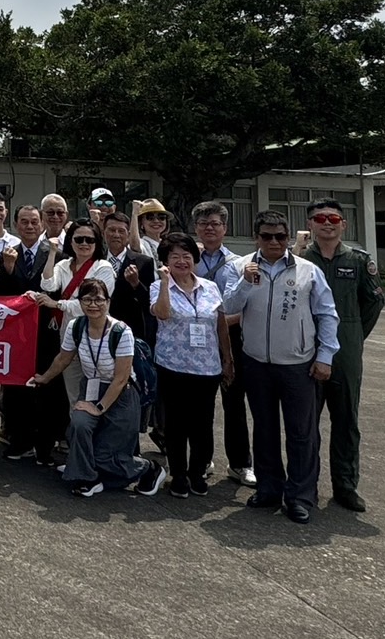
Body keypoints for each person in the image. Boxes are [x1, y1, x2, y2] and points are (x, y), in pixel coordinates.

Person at [222, 210, 341, 525]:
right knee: (264, 429)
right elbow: (228, 308)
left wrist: (325, 355)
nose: (273, 242)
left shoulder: (308, 271)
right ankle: (269, 488)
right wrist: (246, 283)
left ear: (289, 238)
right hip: (257, 361)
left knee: (302, 433)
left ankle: (300, 496)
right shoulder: (240, 267)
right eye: (266, 236)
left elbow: (327, 314)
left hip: (298, 364)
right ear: (256, 238)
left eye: (279, 236)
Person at [27, 278, 166, 498]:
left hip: (121, 394)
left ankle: (149, 468)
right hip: (91, 387)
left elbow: (121, 378)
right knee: (79, 426)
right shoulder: (77, 326)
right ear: (80, 302)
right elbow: (63, 359)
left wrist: (99, 407)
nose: (93, 304)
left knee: (104, 455)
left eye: (99, 299)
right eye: (87, 299)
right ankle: (88, 477)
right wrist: (44, 377)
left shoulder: (121, 332)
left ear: (108, 301)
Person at [295, 198, 385, 512]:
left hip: (346, 349)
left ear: (343, 224)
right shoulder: (301, 259)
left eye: (333, 217)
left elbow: (373, 303)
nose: (327, 223)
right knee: (305, 423)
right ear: (310, 224)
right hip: (306, 346)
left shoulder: (359, 261)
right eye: (319, 218)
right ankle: (305, 486)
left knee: (346, 419)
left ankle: (345, 486)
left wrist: (354, 334)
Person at [150, 232, 233, 497]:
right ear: (165, 261)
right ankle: (178, 474)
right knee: (175, 424)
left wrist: (227, 359)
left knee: (203, 423)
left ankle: (197, 471)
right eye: (175, 257)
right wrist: (165, 282)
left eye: (187, 256)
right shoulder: (158, 286)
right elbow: (162, 314)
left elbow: (220, 325)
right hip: (173, 365)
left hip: (207, 367)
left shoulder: (209, 287)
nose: (182, 261)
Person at [191, 199, 255, 487]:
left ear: (225, 228)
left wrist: (219, 323)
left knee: (234, 402)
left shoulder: (239, 263)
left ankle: (240, 463)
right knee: (201, 404)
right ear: (196, 228)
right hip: (197, 339)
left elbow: (244, 304)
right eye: (204, 224)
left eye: (215, 223)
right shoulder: (188, 258)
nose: (209, 228)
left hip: (232, 337)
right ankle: (202, 459)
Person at [28, 219, 116, 408]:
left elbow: (92, 304)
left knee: (98, 396)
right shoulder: (64, 265)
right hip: (70, 336)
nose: (84, 244)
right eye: (79, 239)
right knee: (74, 396)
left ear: (97, 242)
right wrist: (52, 252)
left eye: (89, 240)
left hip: (96, 338)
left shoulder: (103, 268)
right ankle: (78, 435)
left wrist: (57, 304)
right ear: (71, 241)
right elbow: (47, 285)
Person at [0, 205, 60, 461]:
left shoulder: (55, 253)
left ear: (42, 224)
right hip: (17, 333)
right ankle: (18, 439)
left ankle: (44, 445)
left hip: (47, 332)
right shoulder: (7, 254)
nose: (30, 226)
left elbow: (57, 291)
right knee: (17, 388)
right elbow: (1, 294)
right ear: (16, 225)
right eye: (24, 222)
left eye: (34, 222)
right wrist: (9, 269)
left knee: (46, 387)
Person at [104, 213, 155, 348]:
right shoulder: (95, 259)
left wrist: (136, 284)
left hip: (131, 332)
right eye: (111, 230)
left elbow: (149, 301)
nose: (116, 235)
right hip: (100, 328)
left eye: (121, 231)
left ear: (128, 234)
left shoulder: (143, 262)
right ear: (104, 232)